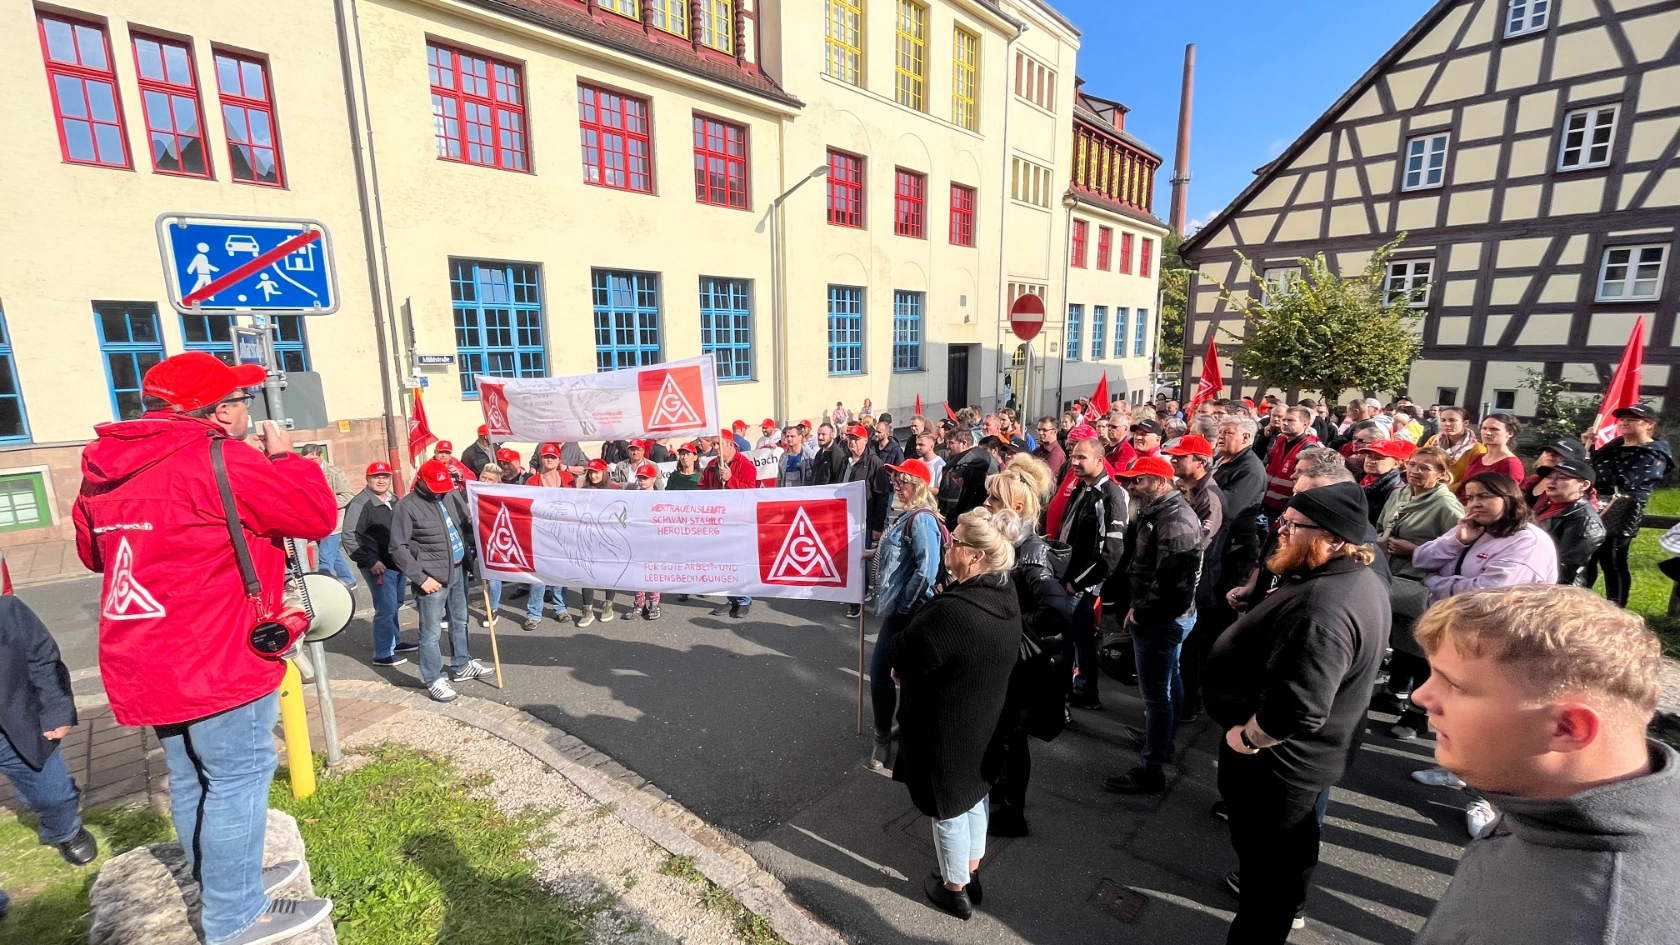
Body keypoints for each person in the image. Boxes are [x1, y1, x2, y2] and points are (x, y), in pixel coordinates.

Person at [73, 351, 337, 943]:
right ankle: (235, 914)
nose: (249, 411)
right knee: (239, 775)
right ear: (220, 412)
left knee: (193, 777)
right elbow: (316, 516)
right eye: (242, 402)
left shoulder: (103, 466)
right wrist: (286, 458)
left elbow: (97, 555)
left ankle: (222, 880)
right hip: (215, 655)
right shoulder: (221, 459)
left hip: (144, 654)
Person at [1410, 586, 1679, 945]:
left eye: (1455, 685)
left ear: (1566, 729)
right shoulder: (1538, 792)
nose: (1420, 697)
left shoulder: (1590, 926)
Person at [1203, 482, 1389, 943]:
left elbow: (1300, 708)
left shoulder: (1323, 609)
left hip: (1276, 767)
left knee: (1268, 884)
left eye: (1293, 526)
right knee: (1285, 863)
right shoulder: (1345, 577)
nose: (1281, 531)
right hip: (1297, 764)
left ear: (1333, 538)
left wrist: (1246, 738)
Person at [886, 506, 1023, 921]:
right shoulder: (1003, 593)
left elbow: (902, 650)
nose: (949, 542)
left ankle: (954, 890)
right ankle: (971, 871)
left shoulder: (953, 612)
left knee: (946, 807)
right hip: (983, 718)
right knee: (974, 795)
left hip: (945, 725)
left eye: (957, 540)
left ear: (976, 555)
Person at [1409, 472, 1559, 821]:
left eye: (1485, 497)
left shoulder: (1528, 541)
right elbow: (1421, 558)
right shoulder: (1472, 528)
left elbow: (1489, 593)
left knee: (1492, 718)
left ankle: (1488, 800)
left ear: (1510, 499)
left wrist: (1436, 582)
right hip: (1463, 636)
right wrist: (1458, 542)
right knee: (1460, 711)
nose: (1475, 504)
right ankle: (1460, 770)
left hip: (1505, 642)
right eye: (1471, 496)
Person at [1103, 456, 1204, 794]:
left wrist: (1141, 612)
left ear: (1161, 483)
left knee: (1157, 695)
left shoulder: (1175, 521)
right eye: (1131, 480)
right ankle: (1162, 743)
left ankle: (1152, 767)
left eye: (1139, 480)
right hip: (1159, 616)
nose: (1132, 486)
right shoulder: (1158, 512)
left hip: (1162, 621)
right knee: (1168, 684)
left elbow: (1175, 586)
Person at [982, 455, 1063, 836]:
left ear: (1015, 507)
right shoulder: (1014, 542)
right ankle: (1002, 789)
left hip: (1021, 662)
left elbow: (1055, 609)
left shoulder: (1029, 553)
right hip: (1010, 657)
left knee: (1014, 736)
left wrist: (1014, 626)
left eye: (993, 500)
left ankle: (1013, 812)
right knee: (1003, 732)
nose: (986, 505)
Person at [1, 596, 99, 888]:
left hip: (13, 726)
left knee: (55, 796)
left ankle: (65, 831)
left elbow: (42, 656)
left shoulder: (7, 611)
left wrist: (57, 709)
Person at [1371, 446, 1465, 738]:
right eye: (1413, 464)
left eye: (1426, 467)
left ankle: (1417, 716)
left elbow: (1458, 551)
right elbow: (1381, 525)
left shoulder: (1447, 506)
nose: (1416, 471)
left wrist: (1417, 551)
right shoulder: (1399, 493)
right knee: (1399, 641)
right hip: (1391, 575)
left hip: (1421, 585)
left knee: (1422, 650)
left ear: (1442, 474)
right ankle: (1395, 695)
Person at [392, 459, 493, 703]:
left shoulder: (450, 494)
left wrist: (480, 530)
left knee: (461, 620)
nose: (440, 492)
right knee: (430, 632)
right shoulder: (406, 507)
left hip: (459, 569)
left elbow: (462, 527)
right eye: (436, 488)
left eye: (444, 488)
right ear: (422, 482)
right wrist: (421, 578)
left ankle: (462, 664)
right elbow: (398, 547)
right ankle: (434, 678)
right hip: (432, 578)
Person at [867, 459, 947, 768]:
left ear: (919, 486)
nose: (897, 487)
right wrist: (877, 553)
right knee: (884, 674)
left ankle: (892, 739)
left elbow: (926, 571)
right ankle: (885, 735)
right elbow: (907, 556)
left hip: (912, 613)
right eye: (896, 482)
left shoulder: (922, 518)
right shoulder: (909, 515)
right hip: (902, 611)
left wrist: (903, 606)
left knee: (895, 676)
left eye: (903, 482)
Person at [1057, 437, 1129, 710]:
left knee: (1064, 644)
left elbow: (1111, 552)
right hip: (1071, 580)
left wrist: (1078, 583)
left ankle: (1059, 707)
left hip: (1080, 586)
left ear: (1100, 461)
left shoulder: (1111, 496)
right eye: (1073, 456)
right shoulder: (1081, 488)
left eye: (1082, 457)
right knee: (1083, 640)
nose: (1074, 462)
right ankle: (1086, 692)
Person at [1589, 403, 1673, 607]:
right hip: (1595, 504)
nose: (1625, 422)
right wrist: (1590, 446)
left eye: (1633, 419)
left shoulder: (1654, 453)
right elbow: (1590, 467)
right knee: (1588, 555)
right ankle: (1580, 601)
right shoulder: (1616, 444)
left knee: (1613, 559)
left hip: (1623, 509)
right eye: (1623, 419)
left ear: (1649, 424)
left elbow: (1625, 480)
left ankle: (1616, 606)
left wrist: (1595, 473)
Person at [345, 462, 417, 664]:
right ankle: (383, 653)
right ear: (368, 479)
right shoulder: (360, 504)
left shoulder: (394, 499)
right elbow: (350, 537)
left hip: (397, 562)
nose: (381, 480)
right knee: (385, 608)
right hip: (379, 566)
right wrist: (371, 561)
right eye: (376, 477)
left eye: (385, 476)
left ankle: (395, 640)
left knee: (396, 604)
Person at [703, 434, 760, 618]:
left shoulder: (746, 465)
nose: (715, 448)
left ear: (730, 445)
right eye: (713, 445)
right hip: (719, 521)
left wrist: (730, 479)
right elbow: (701, 488)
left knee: (740, 560)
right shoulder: (712, 465)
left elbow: (750, 493)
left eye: (718, 445)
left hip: (739, 521)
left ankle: (744, 599)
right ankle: (732, 598)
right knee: (724, 562)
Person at [522, 445, 573, 630]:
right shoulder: (533, 481)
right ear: (541, 459)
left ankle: (561, 609)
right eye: (546, 457)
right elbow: (528, 505)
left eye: (553, 456)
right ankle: (534, 614)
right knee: (539, 576)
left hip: (563, 532)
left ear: (559, 460)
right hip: (541, 533)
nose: (549, 460)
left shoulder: (568, 478)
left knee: (560, 573)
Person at [1534, 456, 1606, 588]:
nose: (1552, 481)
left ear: (1584, 485)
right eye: (1550, 477)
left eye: (1562, 478)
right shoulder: (1549, 507)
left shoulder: (1585, 521)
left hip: (1559, 593)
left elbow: (1565, 568)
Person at [300, 444, 357, 588]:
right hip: (316, 522)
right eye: (306, 459)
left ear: (321, 456)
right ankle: (348, 580)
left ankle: (323, 587)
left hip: (333, 522)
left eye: (313, 459)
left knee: (325, 558)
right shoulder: (303, 472)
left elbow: (348, 495)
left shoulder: (333, 473)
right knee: (333, 553)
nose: (310, 462)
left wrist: (326, 505)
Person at [1261, 406, 1318, 516]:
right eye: (1284, 420)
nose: (1285, 423)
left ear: (1305, 424)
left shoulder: (1310, 447)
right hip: (1267, 503)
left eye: (1291, 420)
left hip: (1286, 508)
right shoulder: (1280, 439)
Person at [1456, 414, 1525, 500]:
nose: (1487, 433)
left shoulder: (1511, 464)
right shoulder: (1477, 458)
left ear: (1510, 433)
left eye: (1494, 429)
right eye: (1484, 428)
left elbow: (1510, 498)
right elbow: (1463, 488)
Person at [938, 426, 995, 528]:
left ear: (963, 443)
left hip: (959, 521)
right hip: (984, 518)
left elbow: (948, 500)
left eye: (951, 443)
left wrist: (944, 519)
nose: (947, 447)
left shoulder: (957, 466)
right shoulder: (990, 459)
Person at [1420, 406, 1483, 488]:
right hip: (1427, 488)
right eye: (1443, 420)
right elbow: (1421, 462)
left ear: (1465, 423)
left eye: (1452, 420)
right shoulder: (1434, 440)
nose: (1447, 424)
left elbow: (1472, 479)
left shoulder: (1477, 449)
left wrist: (1443, 492)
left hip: (1456, 494)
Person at [1356, 439, 1412, 528]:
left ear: (1396, 464)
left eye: (1379, 458)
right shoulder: (1357, 478)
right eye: (1369, 456)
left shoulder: (1396, 490)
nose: (1371, 461)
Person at [1032, 416, 1065, 481]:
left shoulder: (1056, 454)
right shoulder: (1040, 449)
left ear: (1055, 432)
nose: (1040, 433)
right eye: (1039, 430)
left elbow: (1043, 478)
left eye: (1044, 430)